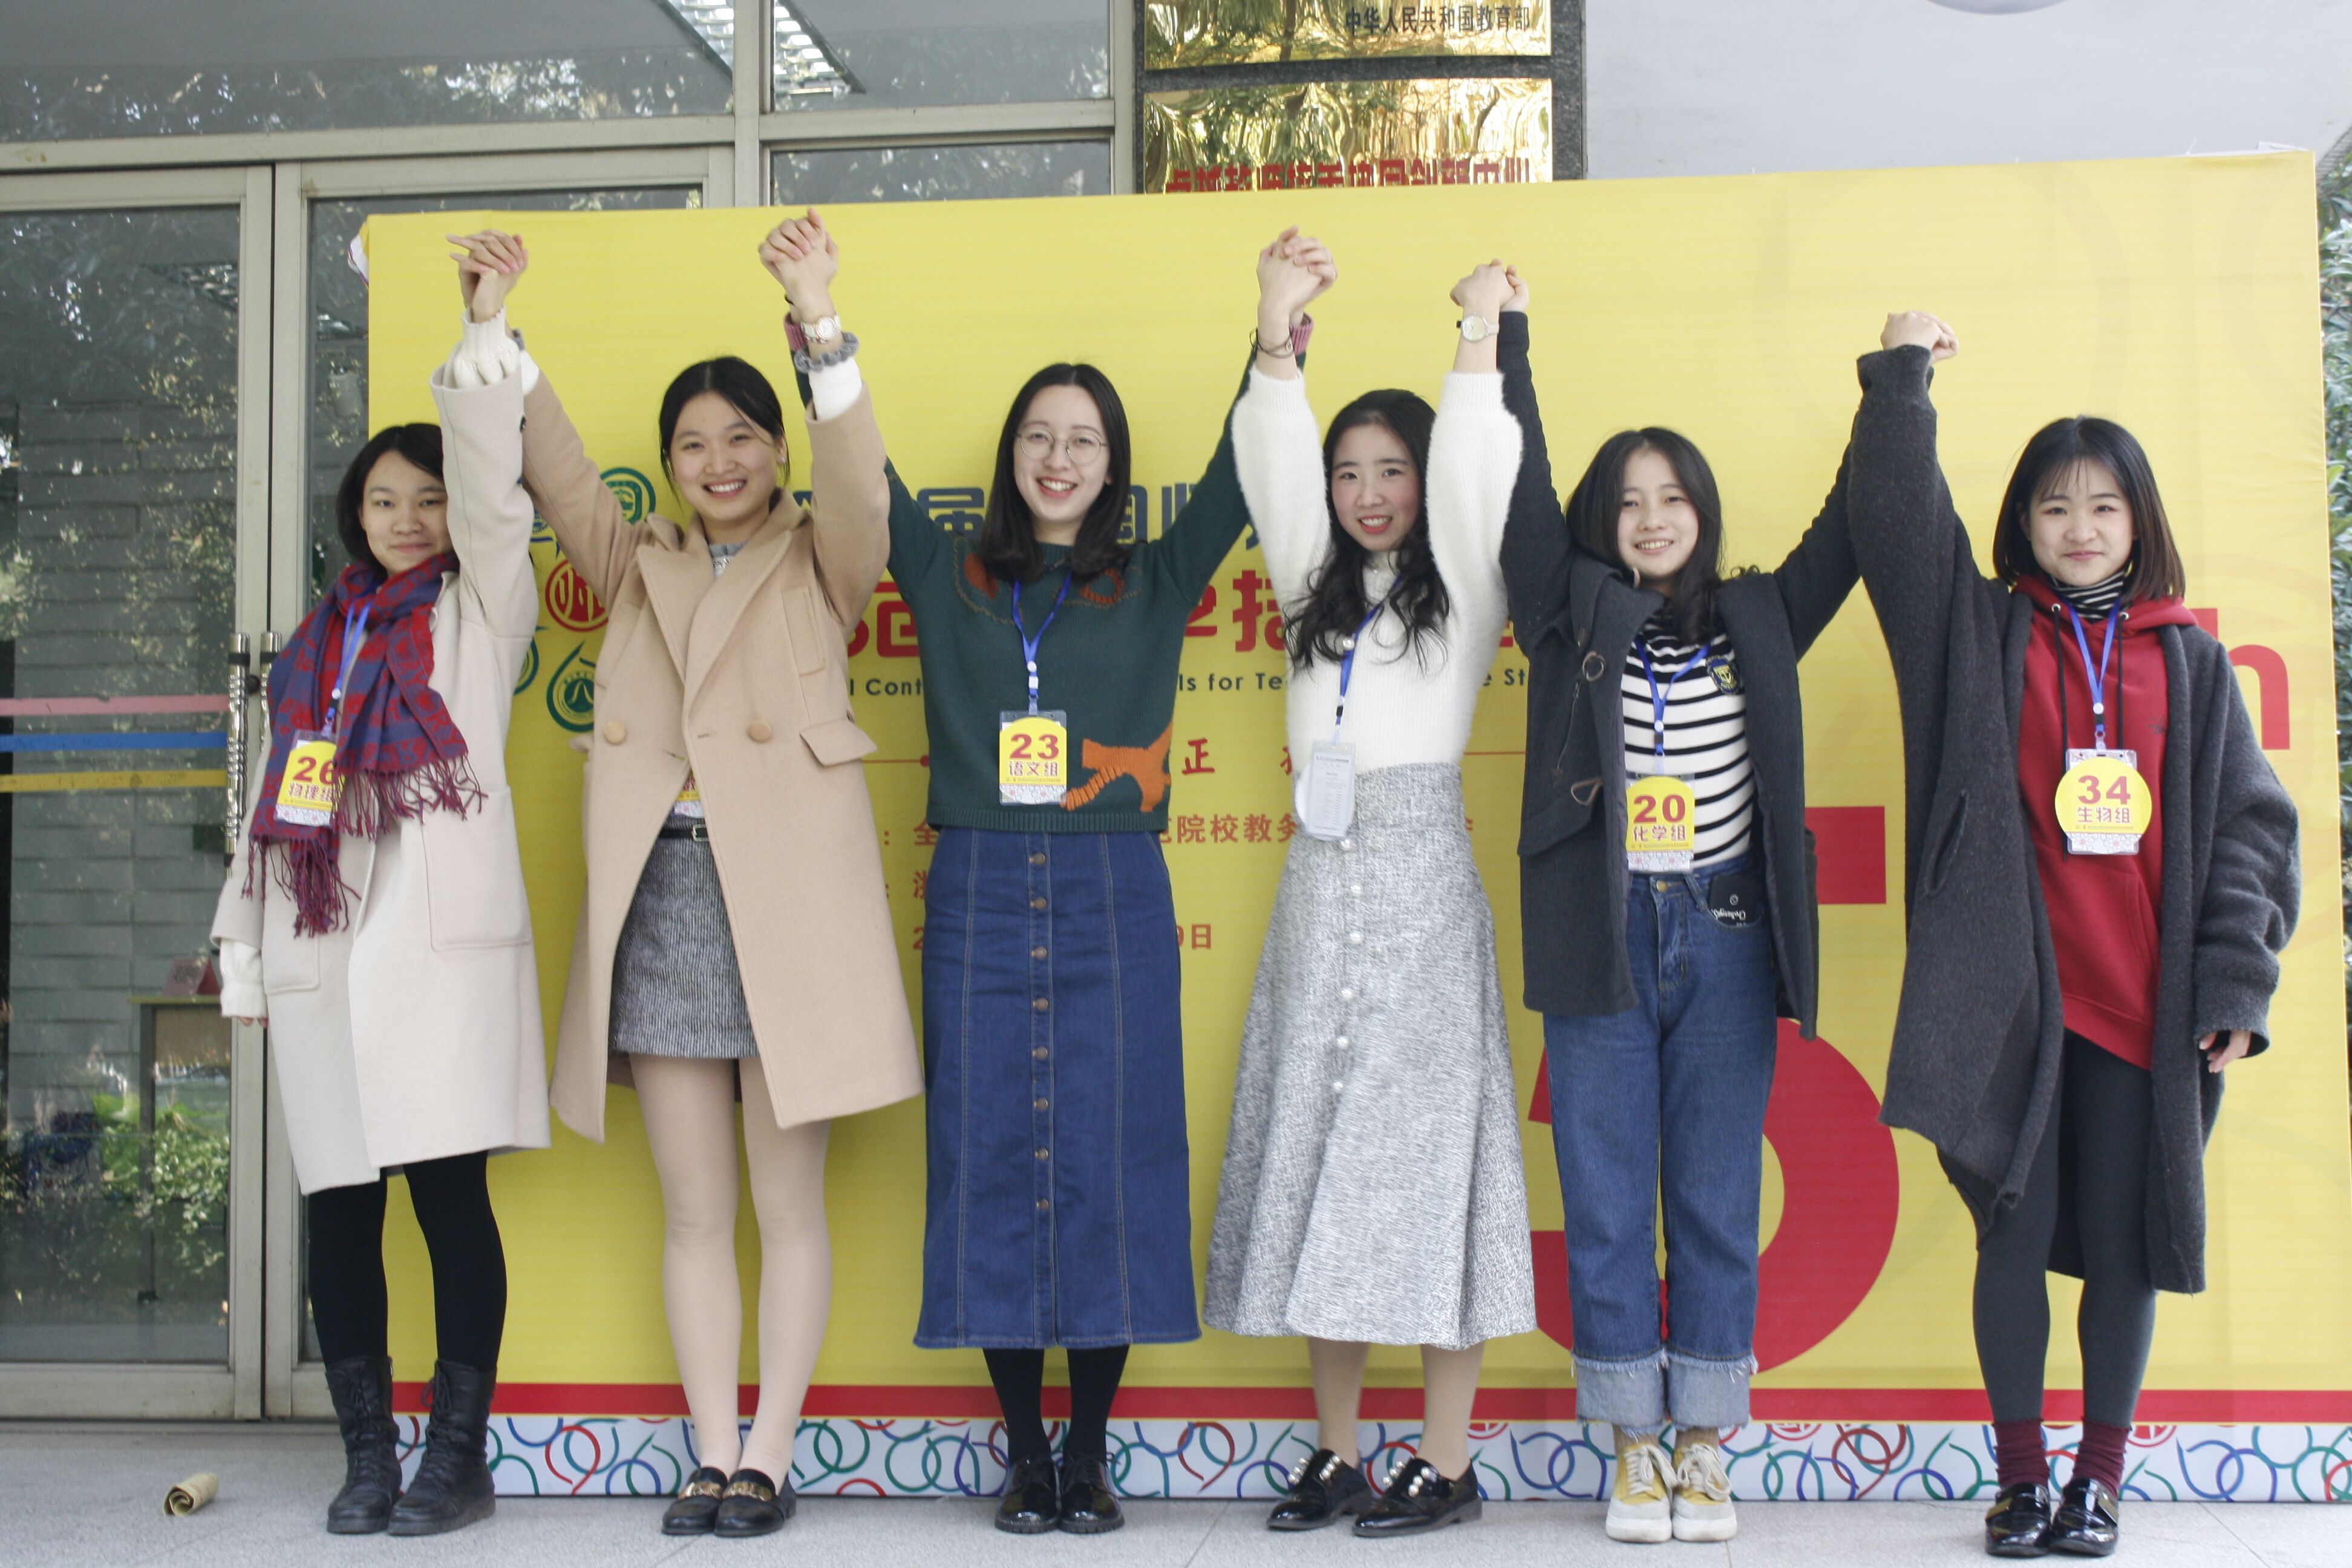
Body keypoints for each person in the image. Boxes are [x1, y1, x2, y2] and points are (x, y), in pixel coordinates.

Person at [436, 215, 922, 1541]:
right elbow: (552, 464)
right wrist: (491, 330)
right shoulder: (632, 563)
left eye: (743, 437)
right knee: (698, 1213)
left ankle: (770, 1455)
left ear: (779, 450)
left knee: (786, 1204)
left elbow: (862, 482)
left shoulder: (826, 557)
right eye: (694, 444)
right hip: (665, 904)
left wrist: (820, 324)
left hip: (792, 916)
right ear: (669, 466)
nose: (719, 463)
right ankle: (709, 1455)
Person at [1845, 312, 2299, 1559]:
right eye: (2055, 506)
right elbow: (1896, 526)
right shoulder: (1983, 632)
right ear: (2024, 523)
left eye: (2105, 505)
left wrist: (2234, 983)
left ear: (2141, 521)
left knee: (2123, 1250)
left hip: (2145, 1010)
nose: (2081, 527)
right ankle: (2019, 1481)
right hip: (2013, 1007)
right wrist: (1902, 381)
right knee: (2009, 1233)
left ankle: (2098, 1483)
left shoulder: (2193, 664)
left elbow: (2255, 832)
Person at [890, 257, 1257, 1540]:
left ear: (1113, 466)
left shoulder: (1155, 577)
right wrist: (823, 334)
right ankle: (1025, 1456)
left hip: (1114, 890)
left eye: (1084, 440)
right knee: (989, 1156)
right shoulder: (948, 574)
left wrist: (1274, 340)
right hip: (981, 886)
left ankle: (1089, 1457)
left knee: (1114, 1159)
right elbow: (861, 476)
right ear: (1012, 457)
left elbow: (1238, 480)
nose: (1059, 459)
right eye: (1040, 437)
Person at [1498, 297, 1868, 1545]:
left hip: (1727, 929)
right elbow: (1521, 490)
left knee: (1713, 1195)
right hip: (1599, 933)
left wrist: (1897, 383)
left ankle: (1704, 1446)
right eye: (1628, 502)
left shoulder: (1761, 617)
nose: (1652, 519)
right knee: (1605, 1201)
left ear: (1703, 511)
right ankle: (1632, 1450)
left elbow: (1847, 527)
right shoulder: (1566, 613)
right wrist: (1506, 341)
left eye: (1672, 498)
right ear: (1600, 522)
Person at [211, 246, 548, 1537]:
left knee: (451, 1203)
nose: (406, 519)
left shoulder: (482, 613)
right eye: (383, 500)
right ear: (355, 514)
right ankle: (368, 1459)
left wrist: (485, 333)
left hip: (435, 955)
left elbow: (501, 497)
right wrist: (244, 949)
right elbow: (275, 806)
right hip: (323, 943)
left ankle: (456, 1462)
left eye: (428, 499)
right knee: (340, 1213)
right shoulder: (318, 641)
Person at [1204, 233, 1535, 1537]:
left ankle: (1447, 1462)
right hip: (1318, 885)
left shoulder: (1469, 584)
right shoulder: (1311, 588)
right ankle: (1338, 1452)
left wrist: (1477, 337)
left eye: (1391, 469)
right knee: (1318, 1150)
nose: (1366, 494)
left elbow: (1480, 473)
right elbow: (1272, 464)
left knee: (1437, 1162)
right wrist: (1274, 329)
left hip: (1423, 887)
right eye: (1350, 473)